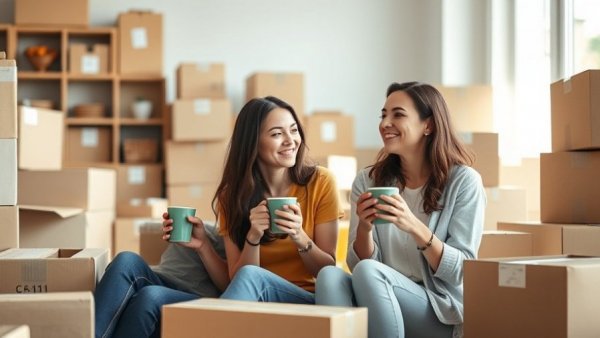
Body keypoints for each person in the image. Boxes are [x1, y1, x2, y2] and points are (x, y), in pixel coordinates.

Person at [315, 82, 486, 338]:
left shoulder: (463, 182)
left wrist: (413, 226)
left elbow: (462, 270)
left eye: (398, 114)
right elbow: (355, 265)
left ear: (428, 125)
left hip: (439, 310)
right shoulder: (368, 181)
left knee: (371, 273)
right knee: (329, 276)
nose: (385, 123)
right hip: (378, 294)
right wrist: (364, 227)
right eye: (383, 115)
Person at [215, 96, 343, 304]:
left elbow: (328, 272)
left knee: (252, 278)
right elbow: (236, 280)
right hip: (257, 299)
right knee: (153, 296)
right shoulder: (232, 196)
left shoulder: (321, 182)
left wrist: (299, 235)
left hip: (306, 298)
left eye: (294, 130)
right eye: (277, 134)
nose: (290, 140)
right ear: (252, 144)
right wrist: (253, 236)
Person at [94, 217, 229, 338]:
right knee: (126, 260)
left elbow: (232, 282)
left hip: (197, 298)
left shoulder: (239, 236)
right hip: (163, 279)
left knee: (150, 296)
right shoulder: (212, 228)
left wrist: (203, 245)